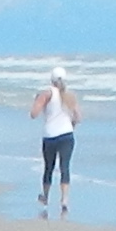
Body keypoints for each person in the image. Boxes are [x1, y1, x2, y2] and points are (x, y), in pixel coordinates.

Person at [32, 70, 80, 213]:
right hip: (67, 134)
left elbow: (33, 114)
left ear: (51, 79)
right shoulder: (70, 95)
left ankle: (46, 196)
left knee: (49, 167)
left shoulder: (47, 93)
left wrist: (37, 102)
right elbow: (78, 117)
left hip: (50, 135)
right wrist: (71, 125)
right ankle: (64, 200)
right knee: (65, 167)